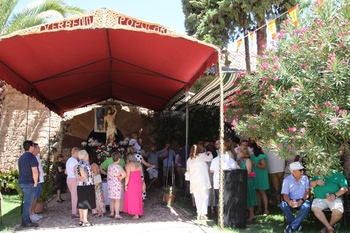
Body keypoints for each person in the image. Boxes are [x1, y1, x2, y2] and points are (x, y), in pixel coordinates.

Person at [280, 161, 310, 233]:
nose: (302, 172)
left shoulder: (305, 178)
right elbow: (285, 195)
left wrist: (301, 200)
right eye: (300, 170)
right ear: (293, 172)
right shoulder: (287, 180)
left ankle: (292, 227)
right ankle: (297, 225)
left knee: (306, 206)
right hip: (291, 200)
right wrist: (290, 202)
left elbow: (307, 192)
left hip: (303, 199)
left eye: (302, 170)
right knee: (283, 205)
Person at [210, 139, 239, 212]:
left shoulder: (214, 160)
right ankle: (227, 214)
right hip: (227, 183)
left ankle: (219, 215)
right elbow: (234, 170)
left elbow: (211, 171)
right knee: (227, 199)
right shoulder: (231, 160)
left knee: (219, 200)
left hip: (217, 183)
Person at [187, 144, 213, 220]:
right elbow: (210, 159)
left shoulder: (189, 160)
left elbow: (188, 170)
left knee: (197, 197)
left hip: (194, 180)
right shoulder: (202, 156)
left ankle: (199, 212)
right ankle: (203, 213)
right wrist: (210, 153)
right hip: (202, 179)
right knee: (205, 196)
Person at [18, 140, 39, 227]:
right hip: (28, 182)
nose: (34, 148)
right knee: (28, 202)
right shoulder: (31, 157)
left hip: (22, 182)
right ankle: (26, 221)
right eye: (34, 146)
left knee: (25, 202)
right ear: (30, 147)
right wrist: (35, 182)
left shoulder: (21, 157)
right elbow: (35, 171)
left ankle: (25, 219)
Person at [75, 150, 96, 227]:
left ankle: (81, 219)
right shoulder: (85, 163)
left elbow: (75, 170)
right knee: (85, 202)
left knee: (81, 202)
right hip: (86, 184)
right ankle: (85, 220)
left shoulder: (78, 163)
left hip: (80, 185)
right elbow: (82, 170)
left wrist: (78, 177)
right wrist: (83, 176)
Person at [238, 146, 257, 222]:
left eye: (239, 152)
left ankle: (252, 215)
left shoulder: (248, 160)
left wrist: (239, 169)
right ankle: (250, 215)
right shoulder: (245, 160)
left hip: (249, 181)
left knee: (250, 197)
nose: (239, 154)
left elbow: (248, 172)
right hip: (246, 181)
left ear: (243, 153)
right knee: (247, 198)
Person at [250, 142, 270, 216]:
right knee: (257, 192)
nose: (251, 149)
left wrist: (254, 163)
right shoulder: (252, 156)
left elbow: (264, 166)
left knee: (262, 192)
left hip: (262, 176)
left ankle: (266, 209)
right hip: (255, 176)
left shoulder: (261, 156)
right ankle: (259, 208)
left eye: (252, 147)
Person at [123, 153, 144, 219]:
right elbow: (141, 173)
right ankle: (139, 212)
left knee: (133, 198)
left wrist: (126, 185)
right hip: (139, 182)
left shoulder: (128, 165)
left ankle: (136, 214)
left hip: (132, 182)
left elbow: (128, 175)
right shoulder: (139, 164)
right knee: (138, 197)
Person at [107, 152, 126, 219]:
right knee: (117, 200)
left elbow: (107, 175)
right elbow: (124, 174)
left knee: (112, 199)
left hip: (110, 183)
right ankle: (117, 214)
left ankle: (112, 212)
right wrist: (120, 177)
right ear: (118, 159)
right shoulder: (118, 167)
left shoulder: (109, 166)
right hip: (116, 184)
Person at [29, 143, 44, 222]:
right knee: (33, 197)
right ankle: (31, 213)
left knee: (36, 197)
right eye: (38, 148)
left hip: (40, 180)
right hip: (36, 181)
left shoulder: (37, 157)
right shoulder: (32, 158)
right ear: (34, 148)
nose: (39, 150)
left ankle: (33, 212)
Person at [90, 153, 106, 217]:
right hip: (98, 181)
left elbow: (95, 173)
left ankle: (99, 210)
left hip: (96, 182)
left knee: (97, 197)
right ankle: (100, 210)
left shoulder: (93, 165)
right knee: (99, 196)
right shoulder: (96, 165)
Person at [66, 147, 79, 219]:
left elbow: (66, 172)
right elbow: (76, 170)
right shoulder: (74, 161)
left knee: (73, 196)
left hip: (69, 179)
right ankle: (74, 212)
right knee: (75, 197)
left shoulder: (68, 160)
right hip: (74, 179)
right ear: (76, 153)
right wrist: (79, 177)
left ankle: (75, 211)